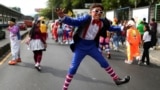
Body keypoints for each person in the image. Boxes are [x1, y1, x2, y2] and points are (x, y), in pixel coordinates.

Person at [55, 4, 130, 90]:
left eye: (101, 12)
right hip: (80, 46)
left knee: (104, 62)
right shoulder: (86, 18)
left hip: (92, 46)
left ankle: (116, 79)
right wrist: (63, 17)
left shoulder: (102, 22)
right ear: (91, 12)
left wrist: (122, 27)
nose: (99, 13)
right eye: (96, 11)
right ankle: (64, 88)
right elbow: (74, 21)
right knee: (73, 68)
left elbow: (111, 28)